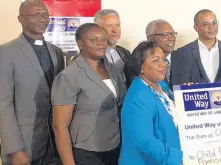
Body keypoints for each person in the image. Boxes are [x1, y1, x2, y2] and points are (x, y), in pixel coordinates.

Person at [0, 0, 65, 164]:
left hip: (55, 144)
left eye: (45, 15)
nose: (42, 19)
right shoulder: (5, 52)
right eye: (35, 15)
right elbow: (3, 104)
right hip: (25, 146)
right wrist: (14, 149)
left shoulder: (57, 52)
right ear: (20, 18)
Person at [51, 23, 126, 165]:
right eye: (93, 40)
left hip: (115, 145)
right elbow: (59, 126)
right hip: (86, 150)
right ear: (80, 43)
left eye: (103, 39)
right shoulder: (69, 76)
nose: (100, 43)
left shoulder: (115, 70)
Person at [120, 41, 182, 165]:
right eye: (155, 60)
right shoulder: (138, 97)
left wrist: (187, 94)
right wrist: (176, 159)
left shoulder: (161, 85)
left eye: (163, 59)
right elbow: (145, 141)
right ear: (141, 67)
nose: (162, 65)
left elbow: (173, 113)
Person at [171, 9, 221, 85]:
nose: (212, 27)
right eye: (206, 24)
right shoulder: (183, 53)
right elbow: (179, 84)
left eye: (214, 23)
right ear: (196, 28)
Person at [146, 19, 177, 84]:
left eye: (173, 34)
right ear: (151, 38)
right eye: (166, 35)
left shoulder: (186, 58)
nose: (172, 38)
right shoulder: (141, 63)